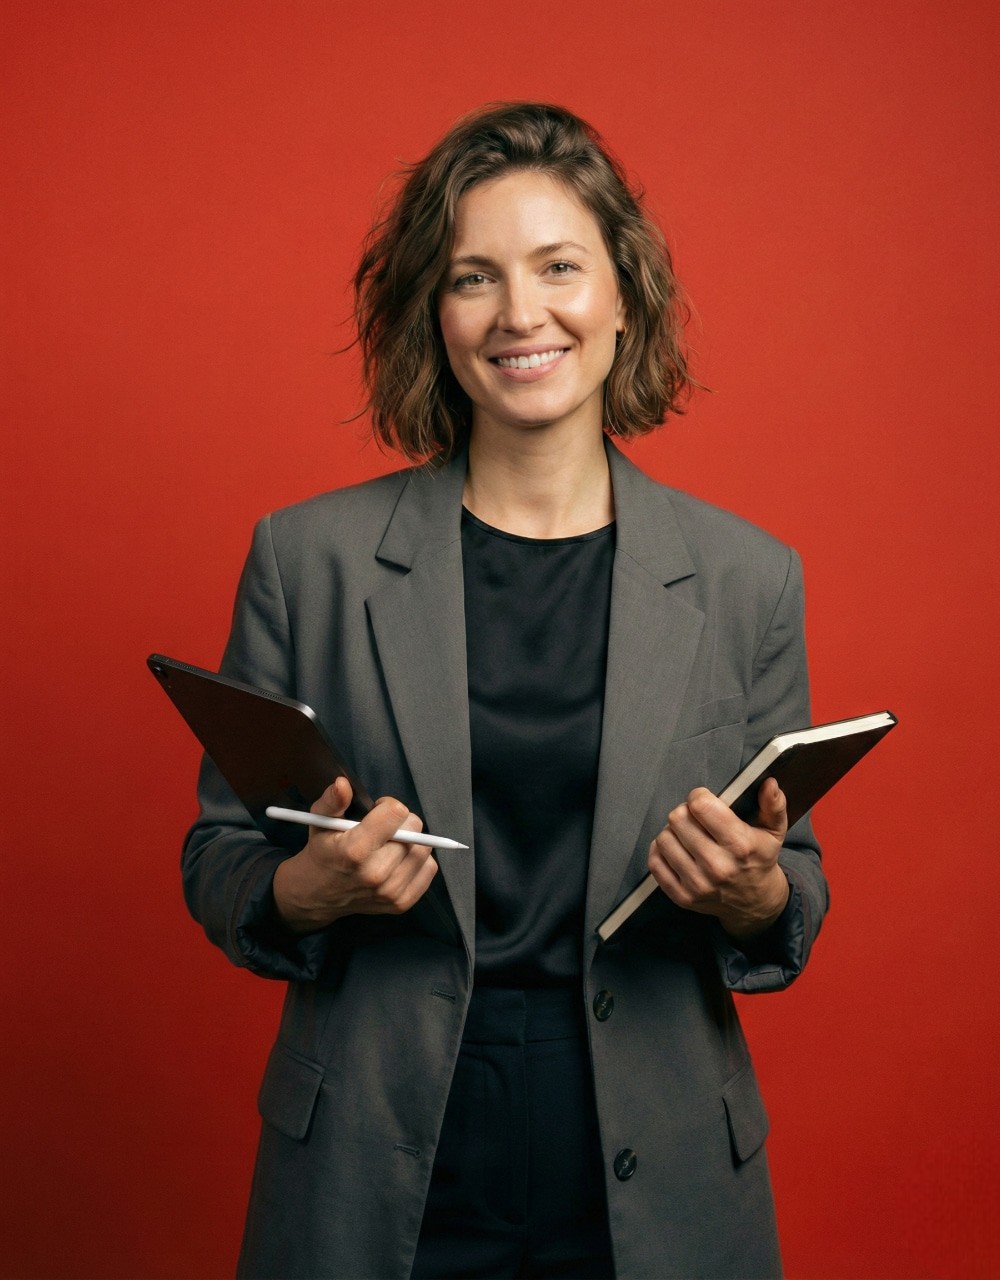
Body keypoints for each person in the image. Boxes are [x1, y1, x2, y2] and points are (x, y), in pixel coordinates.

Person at [182, 101, 828, 1280]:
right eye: (474, 277)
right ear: (435, 316)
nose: (520, 312)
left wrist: (748, 892)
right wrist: (302, 890)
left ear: (622, 296)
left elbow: (795, 886)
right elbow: (218, 854)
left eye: (558, 267)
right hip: (379, 1157)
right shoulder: (304, 560)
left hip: (658, 1162)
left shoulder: (747, 578)